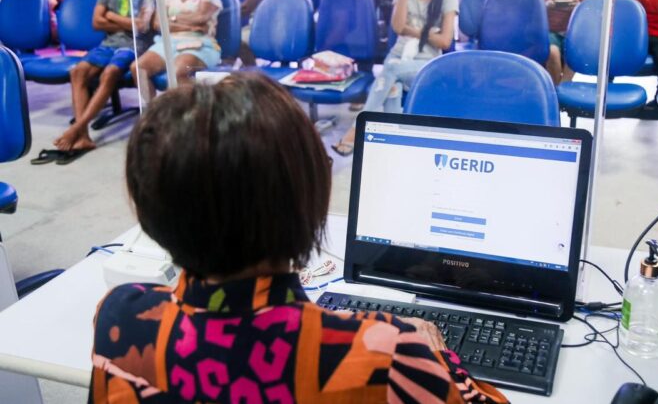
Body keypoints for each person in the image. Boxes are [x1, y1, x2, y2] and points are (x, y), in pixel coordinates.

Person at [88, 72, 509, 403]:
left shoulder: (119, 320)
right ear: (308, 201)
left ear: (149, 210)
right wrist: (436, 353)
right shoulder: (387, 356)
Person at [332, 0, 457, 156]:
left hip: (426, 63)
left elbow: (445, 41)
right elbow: (398, 27)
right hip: (398, 56)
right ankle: (395, 144)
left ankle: (357, 129)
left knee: (389, 70)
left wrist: (413, 31)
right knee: (392, 88)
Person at [50, 0, 154, 160]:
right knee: (78, 72)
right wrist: (127, 22)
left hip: (134, 45)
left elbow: (142, 26)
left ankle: (76, 128)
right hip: (108, 44)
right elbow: (97, 22)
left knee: (110, 72)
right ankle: (83, 137)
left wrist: (111, 16)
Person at [131, 0, 222, 102]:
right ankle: (154, 109)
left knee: (176, 72)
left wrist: (171, 19)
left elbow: (200, 18)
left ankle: (186, 112)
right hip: (169, 42)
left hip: (199, 43)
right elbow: (157, 24)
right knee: (138, 68)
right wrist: (189, 25)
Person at [537, 0, 586, 85]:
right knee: (552, 52)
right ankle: (555, 85)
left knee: (575, 51)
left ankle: (564, 84)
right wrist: (546, 5)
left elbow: (586, 18)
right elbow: (534, 13)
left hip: (570, 34)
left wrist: (579, 8)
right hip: (549, 32)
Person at [239, 0, 285, 65]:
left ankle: (251, 71)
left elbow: (246, 8)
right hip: (273, 26)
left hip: (268, 29)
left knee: (235, 40)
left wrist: (222, 13)